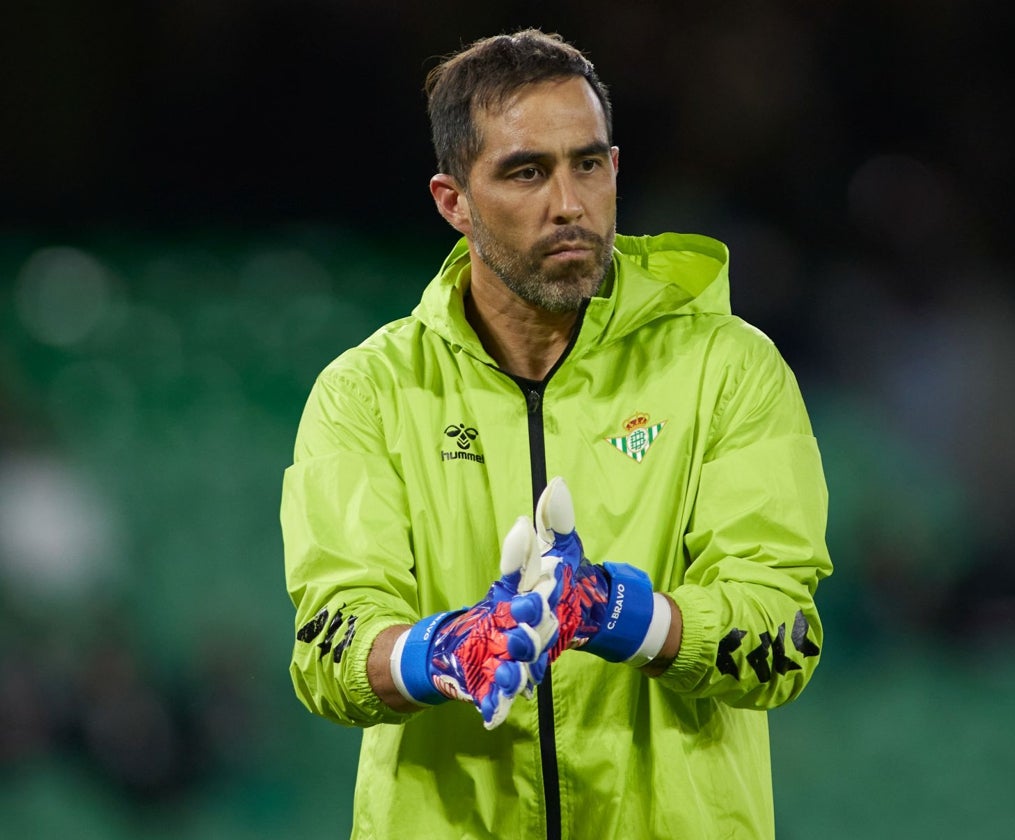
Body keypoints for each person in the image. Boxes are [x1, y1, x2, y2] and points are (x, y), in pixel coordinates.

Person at [281, 28, 832, 840]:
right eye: (526, 171)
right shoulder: (367, 394)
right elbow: (330, 646)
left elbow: (782, 635)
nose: (569, 203)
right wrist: (441, 653)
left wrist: (620, 615)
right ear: (452, 202)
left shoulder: (730, 369)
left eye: (589, 163)